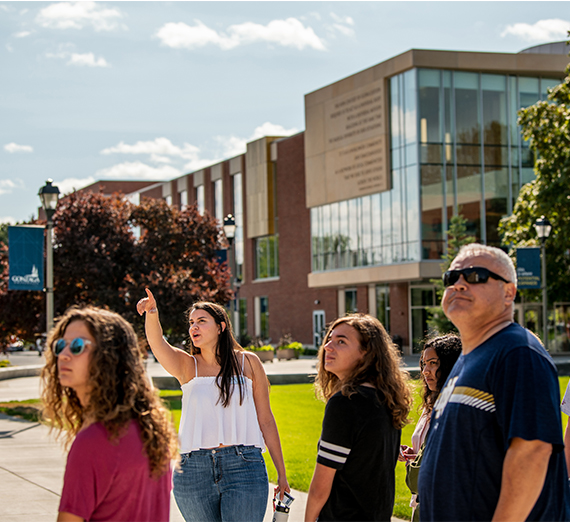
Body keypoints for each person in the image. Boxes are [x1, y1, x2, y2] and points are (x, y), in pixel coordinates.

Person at [418, 243, 570, 521]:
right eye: (452, 278)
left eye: (475, 276)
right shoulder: (469, 358)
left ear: (509, 292)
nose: (459, 284)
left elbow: (532, 452)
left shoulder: (517, 352)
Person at [137, 288, 289, 522]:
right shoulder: (186, 366)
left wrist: (281, 472)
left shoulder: (248, 362)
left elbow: (266, 419)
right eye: (191, 322)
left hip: (244, 466)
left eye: (201, 321)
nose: (193, 327)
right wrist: (152, 312)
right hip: (192, 471)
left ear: (221, 327)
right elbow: (157, 343)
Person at [41, 306, 177, 522]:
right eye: (60, 346)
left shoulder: (94, 441)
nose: (64, 356)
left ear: (108, 356)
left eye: (77, 346)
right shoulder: (151, 433)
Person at [304, 313, 412, 522]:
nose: (327, 346)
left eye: (341, 341)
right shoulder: (386, 399)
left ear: (366, 353)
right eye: (329, 339)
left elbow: (320, 486)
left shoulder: (346, 402)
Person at [399, 334, 461, 521]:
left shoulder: (452, 409)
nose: (426, 371)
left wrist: (415, 467)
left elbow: (419, 479)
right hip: (422, 503)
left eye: (433, 363)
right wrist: (415, 455)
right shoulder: (430, 406)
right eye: (424, 363)